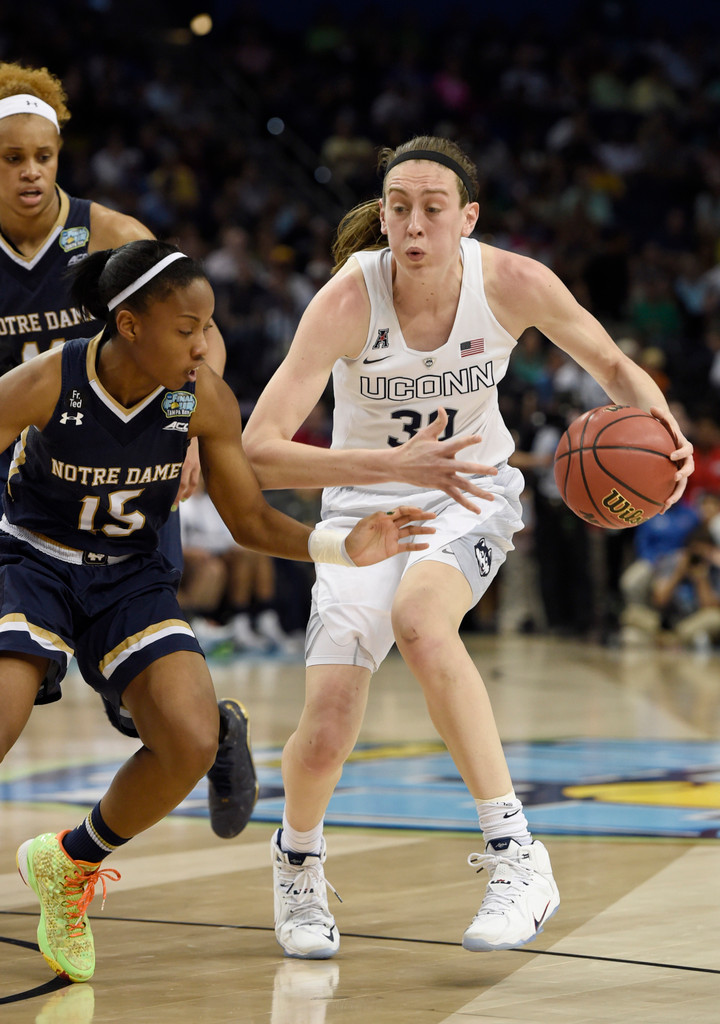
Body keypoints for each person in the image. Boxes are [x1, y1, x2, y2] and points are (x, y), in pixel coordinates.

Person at [242, 134, 695, 959]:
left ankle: (519, 854)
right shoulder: (350, 297)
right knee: (328, 726)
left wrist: (667, 429)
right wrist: (387, 464)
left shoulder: (514, 281)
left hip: (470, 494)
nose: (415, 225)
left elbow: (612, 364)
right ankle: (297, 861)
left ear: (468, 218)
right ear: (383, 218)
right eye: (400, 209)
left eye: (433, 209)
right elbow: (261, 447)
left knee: (423, 621)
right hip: (365, 502)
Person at [0, 239, 435, 983]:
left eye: (208, 325)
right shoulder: (51, 380)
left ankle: (69, 866)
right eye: (187, 327)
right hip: (29, 559)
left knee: (192, 741)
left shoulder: (194, 399)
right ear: (130, 325)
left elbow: (251, 523)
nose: (205, 344)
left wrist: (342, 547)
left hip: (129, 576)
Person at [0, 61, 250, 839]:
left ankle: (216, 733)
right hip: (23, 466)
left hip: (125, 478)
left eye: (44, 155)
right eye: (13, 158)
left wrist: (184, 429)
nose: (33, 171)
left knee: (144, 714)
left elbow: (195, 337)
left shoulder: (108, 238)